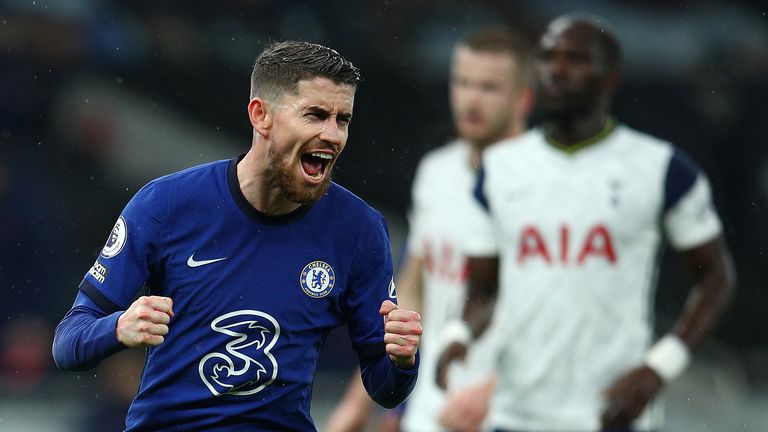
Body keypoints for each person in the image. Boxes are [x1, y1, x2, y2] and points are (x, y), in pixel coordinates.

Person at [52, 41, 422, 432]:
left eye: (342, 119)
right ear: (261, 116)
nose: (332, 135)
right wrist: (117, 327)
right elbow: (67, 342)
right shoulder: (166, 205)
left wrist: (403, 360)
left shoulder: (358, 229)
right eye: (315, 115)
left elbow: (384, 389)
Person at [436, 14, 736, 432]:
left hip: (611, 413)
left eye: (575, 59)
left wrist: (658, 368)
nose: (556, 69)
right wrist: (457, 334)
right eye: (547, 57)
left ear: (610, 78)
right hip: (515, 413)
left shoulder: (661, 169)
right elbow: (483, 288)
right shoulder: (500, 170)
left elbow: (717, 279)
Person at [326, 26, 534, 432]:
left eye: (489, 87)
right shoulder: (436, 172)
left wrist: (496, 389)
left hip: (518, 409)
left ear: (522, 99)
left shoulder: (550, 185)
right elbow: (415, 286)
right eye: (463, 82)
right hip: (434, 406)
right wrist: (368, 400)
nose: (471, 98)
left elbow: (568, 310)